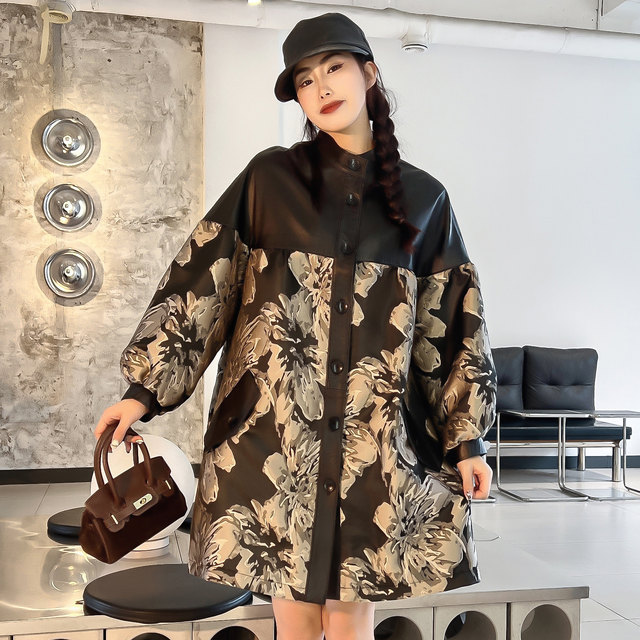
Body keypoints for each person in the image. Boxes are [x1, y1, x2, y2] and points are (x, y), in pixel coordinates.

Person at [94, 12, 497, 640]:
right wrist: (144, 389)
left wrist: (466, 440)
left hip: (372, 443)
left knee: (351, 612)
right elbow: (204, 281)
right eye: (305, 80)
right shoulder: (269, 180)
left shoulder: (425, 200)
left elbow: (451, 328)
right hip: (274, 435)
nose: (322, 87)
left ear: (369, 73)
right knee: (294, 613)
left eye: (334, 68)